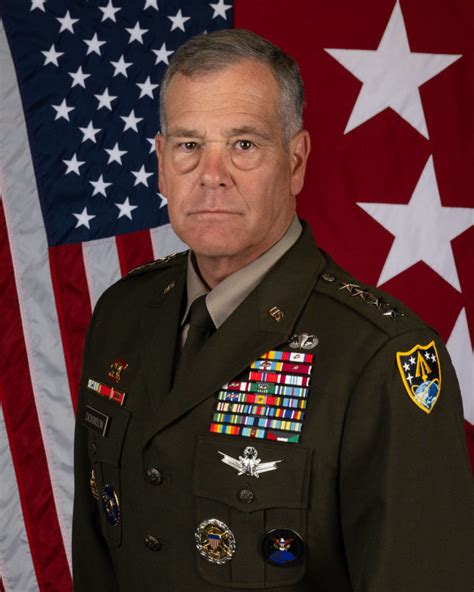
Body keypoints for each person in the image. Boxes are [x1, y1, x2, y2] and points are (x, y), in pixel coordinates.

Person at [72, 29, 473, 591]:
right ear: (161, 163)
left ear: (296, 161)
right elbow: (97, 558)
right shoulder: (122, 313)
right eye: (189, 145)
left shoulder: (378, 356)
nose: (211, 174)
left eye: (244, 144)